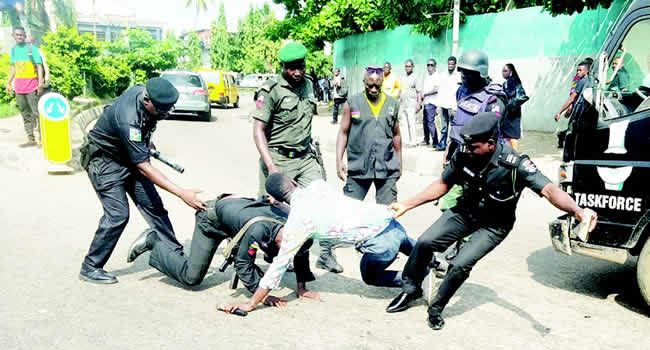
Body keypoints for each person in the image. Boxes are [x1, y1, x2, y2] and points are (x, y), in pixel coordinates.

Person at [385, 112, 598, 330]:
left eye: (473, 146)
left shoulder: (516, 165)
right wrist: (407, 204)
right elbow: (442, 184)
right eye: (466, 146)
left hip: (494, 225)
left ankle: (436, 308)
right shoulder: (464, 152)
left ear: (490, 143)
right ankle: (410, 289)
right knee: (424, 242)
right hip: (465, 211)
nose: (467, 150)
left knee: (459, 264)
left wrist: (577, 211)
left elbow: (550, 190)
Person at [221, 174, 417, 315]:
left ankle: (415, 279)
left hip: (381, 245)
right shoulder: (318, 186)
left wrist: (251, 303)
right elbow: (312, 200)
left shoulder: (297, 224)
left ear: (277, 199)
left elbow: (278, 267)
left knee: (370, 275)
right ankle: (432, 261)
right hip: (392, 222)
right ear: (294, 182)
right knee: (411, 245)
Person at [79, 77, 206, 284]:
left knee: (153, 206)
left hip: (127, 157)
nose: (166, 114)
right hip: (105, 163)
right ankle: (90, 266)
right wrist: (182, 193)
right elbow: (144, 167)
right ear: (147, 102)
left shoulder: (144, 92)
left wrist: (145, 142)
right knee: (117, 215)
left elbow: (140, 132)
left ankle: (173, 253)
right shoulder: (129, 119)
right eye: (162, 110)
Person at [126, 194, 317, 303]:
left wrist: (302, 287)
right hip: (210, 221)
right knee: (191, 278)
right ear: (281, 241)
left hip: (235, 214)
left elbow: (301, 252)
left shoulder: (294, 227)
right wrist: (261, 296)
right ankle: (153, 241)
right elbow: (243, 264)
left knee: (274, 253)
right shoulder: (258, 230)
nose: (291, 253)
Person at [252, 42, 341, 273]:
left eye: (300, 66)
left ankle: (326, 254)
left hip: (305, 158)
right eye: (292, 68)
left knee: (324, 201)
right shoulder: (270, 91)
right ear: (283, 66)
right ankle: (276, 254)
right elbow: (258, 130)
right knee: (275, 213)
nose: (297, 72)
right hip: (279, 159)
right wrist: (271, 167)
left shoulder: (309, 85)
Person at [336, 66, 402, 204]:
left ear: (382, 83)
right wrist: (339, 160)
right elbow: (343, 132)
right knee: (348, 211)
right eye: (369, 85)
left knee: (387, 214)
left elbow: (396, 135)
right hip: (359, 167)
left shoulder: (392, 104)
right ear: (364, 82)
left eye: (377, 86)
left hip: (386, 167)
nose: (373, 89)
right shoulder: (353, 103)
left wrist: (399, 162)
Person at [6, 26, 44, 147]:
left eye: (21, 35)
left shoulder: (32, 49)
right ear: (13, 36)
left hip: (32, 86)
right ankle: (31, 138)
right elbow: (13, 67)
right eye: (17, 35)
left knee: (36, 112)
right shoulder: (13, 50)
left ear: (25, 36)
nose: (19, 37)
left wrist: (40, 84)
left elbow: (39, 67)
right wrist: (8, 82)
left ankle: (43, 139)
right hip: (19, 88)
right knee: (25, 113)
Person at [554, 61, 590, 148]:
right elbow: (572, 95)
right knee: (574, 129)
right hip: (580, 108)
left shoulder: (587, 80)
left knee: (576, 130)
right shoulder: (579, 80)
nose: (577, 72)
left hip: (583, 109)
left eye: (580, 70)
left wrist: (560, 112)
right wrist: (568, 107)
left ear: (587, 71)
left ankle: (563, 136)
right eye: (577, 70)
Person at [434, 56, 461, 151]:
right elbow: (440, 90)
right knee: (444, 126)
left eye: (452, 64)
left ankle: (451, 146)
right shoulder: (443, 75)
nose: (450, 66)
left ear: (455, 65)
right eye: (449, 64)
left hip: (452, 105)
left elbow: (459, 92)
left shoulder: (458, 76)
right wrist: (438, 105)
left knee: (452, 126)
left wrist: (456, 106)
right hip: (443, 104)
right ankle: (442, 144)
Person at [501, 63, 529, 150]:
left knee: (512, 136)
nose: (503, 73)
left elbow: (522, 96)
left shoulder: (515, 82)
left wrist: (510, 105)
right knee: (506, 136)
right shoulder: (505, 83)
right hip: (507, 114)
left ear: (511, 72)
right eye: (502, 71)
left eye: (505, 71)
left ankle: (515, 154)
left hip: (513, 113)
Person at [399, 59, 423, 147]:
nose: (407, 68)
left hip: (411, 104)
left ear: (412, 67)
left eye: (409, 66)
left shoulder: (415, 77)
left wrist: (418, 104)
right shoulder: (402, 77)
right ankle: (406, 141)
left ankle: (413, 141)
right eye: (406, 66)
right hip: (403, 104)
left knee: (411, 123)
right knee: (404, 123)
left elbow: (419, 92)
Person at [421, 58, 440, 147]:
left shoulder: (436, 76)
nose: (429, 67)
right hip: (426, 102)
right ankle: (426, 140)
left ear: (435, 66)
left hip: (432, 102)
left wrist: (425, 93)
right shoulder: (427, 76)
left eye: (431, 65)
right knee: (425, 122)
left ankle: (435, 141)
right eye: (428, 65)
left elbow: (436, 89)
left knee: (430, 122)